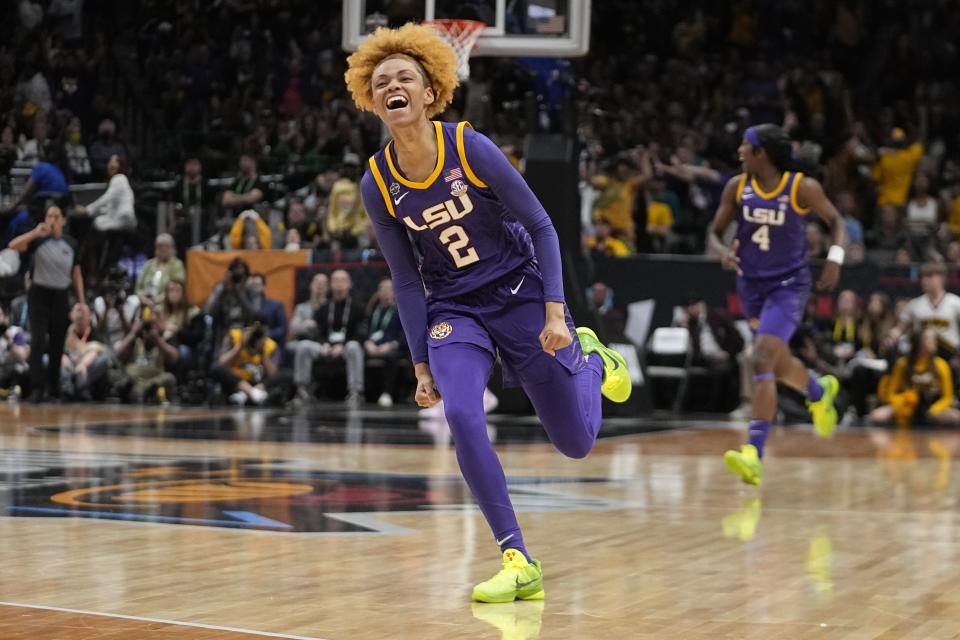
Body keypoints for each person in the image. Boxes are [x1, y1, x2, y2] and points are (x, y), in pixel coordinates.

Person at [347, 23, 630, 603]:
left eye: (404, 77)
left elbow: (542, 225)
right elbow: (404, 278)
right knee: (464, 418)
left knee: (574, 443)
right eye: (380, 82)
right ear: (371, 99)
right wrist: (421, 361)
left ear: (430, 92)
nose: (392, 86)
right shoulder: (377, 182)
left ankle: (592, 360)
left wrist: (556, 311)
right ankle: (517, 557)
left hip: (521, 292)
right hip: (455, 307)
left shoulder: (469, 147)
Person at [709, 124, 846, 486]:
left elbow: (837, 221)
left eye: (746, 145)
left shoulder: (801, 187)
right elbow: (712, 233)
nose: (740, 150)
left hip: (789, 285)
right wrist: (723, 252)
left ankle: (753, 453)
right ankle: (818, 390)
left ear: (762, 154)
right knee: (778, 362)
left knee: (762, 358)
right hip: (751, 285)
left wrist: (835, 258)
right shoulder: (736, 187)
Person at [8, 206, 84, 402]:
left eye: (55, 216)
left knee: (58, 343)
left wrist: (81, 301)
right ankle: (36, 389)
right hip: (39, 294)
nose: (51, 219)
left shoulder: (71, 243)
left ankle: (54, 389)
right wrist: (35, 232)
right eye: (48, 215)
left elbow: (76, 274)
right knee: (39, 340)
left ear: (63, 221)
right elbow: (13, 245)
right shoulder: (38, 240)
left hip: (60, 294)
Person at [868, 328, 960, 427]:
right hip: (907, 407)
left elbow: (947, 397)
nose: (934, 342)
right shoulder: (903, 364)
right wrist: (904, 400)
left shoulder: (941, 365)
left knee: (956, 417)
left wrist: (935, 409)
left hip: (931, 407)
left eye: (934, 339)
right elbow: (891, 394)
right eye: (929, 339)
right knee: (876, 416)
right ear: (919, 343)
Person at [313, 269, 365, 405]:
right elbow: (317, 332)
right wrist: (323, 343)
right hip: (326, 346)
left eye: (343, 280)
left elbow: (361, 333)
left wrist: (342, 345)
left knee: (354, 347)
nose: (339, 284)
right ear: (330, 285)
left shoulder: (357, 307)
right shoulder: (324, 308)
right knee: (304, 347)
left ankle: (355, 391)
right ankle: (302, 390)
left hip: (347, 346)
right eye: (335, 280)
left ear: (349, 284)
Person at [893, 262, 960, 359]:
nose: (924, 280)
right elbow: (900, 327)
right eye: (923, 277)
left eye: (929, 276)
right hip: (922, 355)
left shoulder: (955, 302)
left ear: (942, 278)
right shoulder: (915, 304)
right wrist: (894, 334)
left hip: (950, 355)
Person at [364, 278, 406, 407]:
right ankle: (362, 393)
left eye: (389, 289)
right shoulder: (373, 310)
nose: (385, 292)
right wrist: (368, 343)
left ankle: (387, 392)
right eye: (382, 288)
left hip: (392, 346)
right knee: (357, 353)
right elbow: (365, 329)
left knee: (391, 357)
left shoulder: (400, 310)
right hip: (373, 346)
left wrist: (391, 345)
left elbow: (405, 335)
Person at [290, 272, 328, 404]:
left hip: (324, 344)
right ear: (311, 285)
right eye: (317, 283)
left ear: (327, 288)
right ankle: (301, 388)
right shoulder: (302, 307)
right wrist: (306, 325)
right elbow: (294, 329)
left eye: (323, 284)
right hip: (303, 341)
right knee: (299, 346)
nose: (319, 286)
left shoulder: (330, 307)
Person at [75, 154, 136, 232]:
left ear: (121, 166)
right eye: (110, 161)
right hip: (122, 219)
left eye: (115, 161)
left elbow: (106, 198)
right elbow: (109, 206)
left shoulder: (120, 178)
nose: (111, 164)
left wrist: (86, 210)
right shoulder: (120, 180)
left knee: (96, 223)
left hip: (123, 219)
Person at [135, 233, 186, 303]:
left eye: (167, 246)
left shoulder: (177, 265)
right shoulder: (149, 264)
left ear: (172, 248)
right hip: (144, 300)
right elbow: (138, 287)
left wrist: (156, 300)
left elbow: (176, 289)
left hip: (165, 303)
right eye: (160, 246)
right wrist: (143, 298)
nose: (163, 249)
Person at [246, 272, 287, 343]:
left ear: (263, 287)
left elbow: (282, 330)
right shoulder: (243, 306)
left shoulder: (276, 305)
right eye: (252, 285)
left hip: (269, 344)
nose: (254, 288)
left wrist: (264, 335)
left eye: (257, 284)